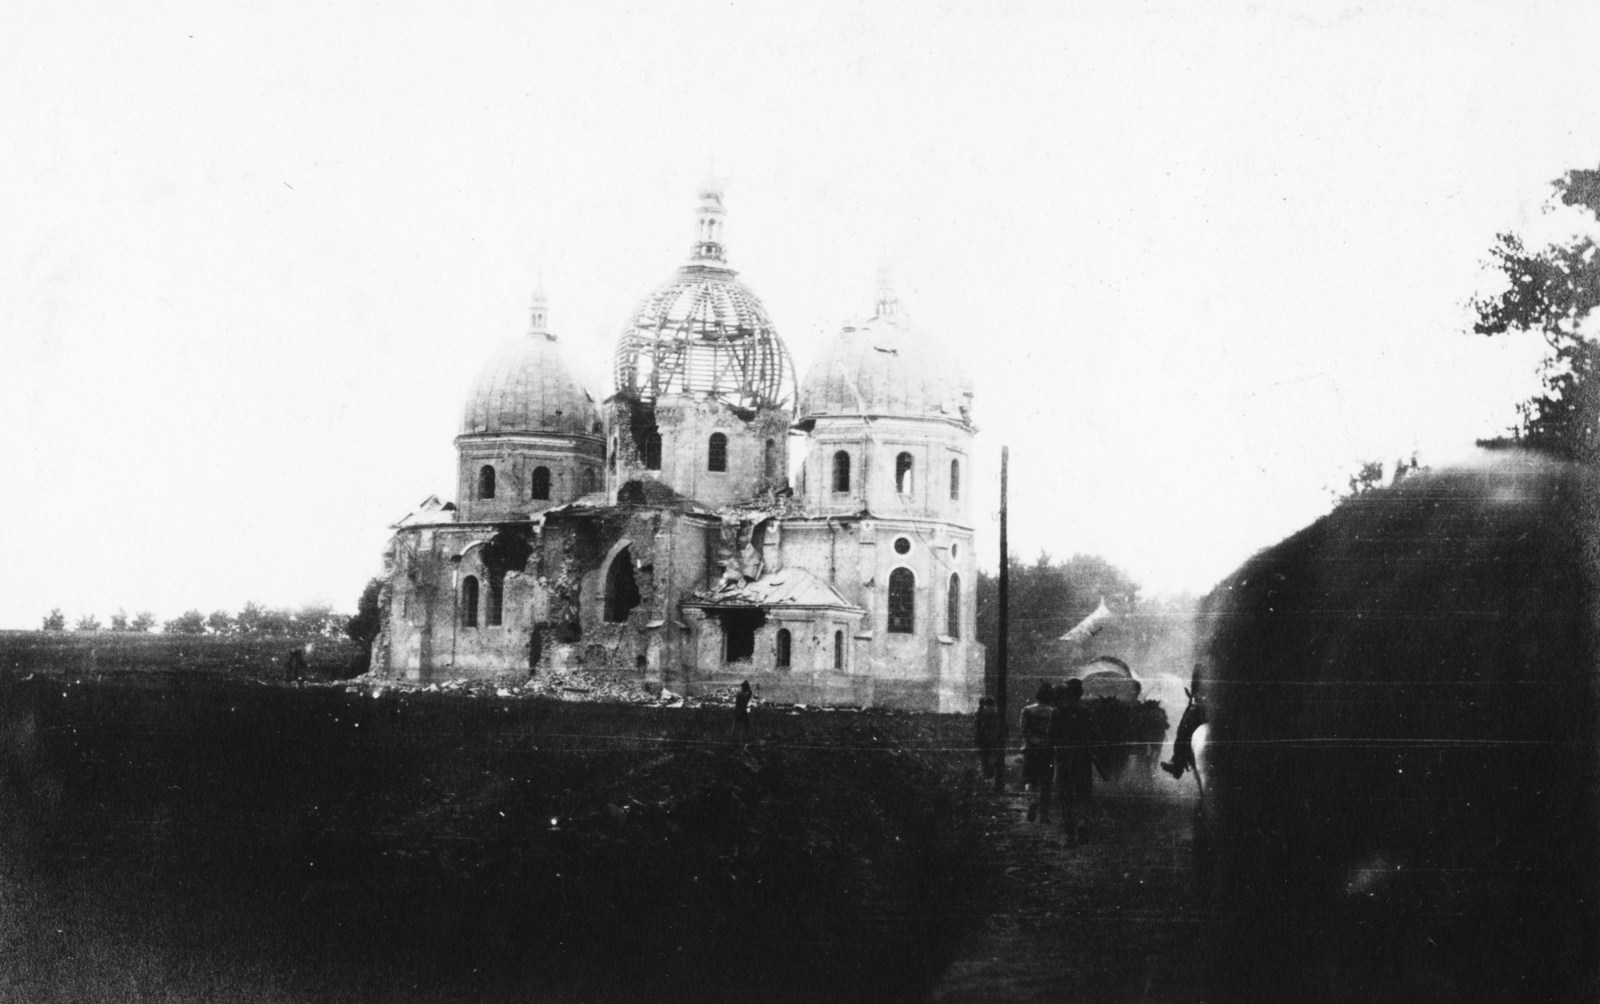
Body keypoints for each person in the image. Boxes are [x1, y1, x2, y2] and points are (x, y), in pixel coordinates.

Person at [1051, 678, 1109, 845]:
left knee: (1066, 796)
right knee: (1083, 794)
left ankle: (1070, 836)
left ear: (1066, 693)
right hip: (1083, 759)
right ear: (1081, 693)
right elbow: (1098, 739)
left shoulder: (1057, 712)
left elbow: (1050, 738)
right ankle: (1082, 822)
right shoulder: (1088, 712)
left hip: (1063, 760)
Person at [1019, 683, 1055, 822]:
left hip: (1031, 750)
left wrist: (1033, 740)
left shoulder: (1027, 710)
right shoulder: (1053, 712)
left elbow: (1024, 730)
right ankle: (1044, 816)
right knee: (1046, 783)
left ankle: (1032, 801)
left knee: (1029, 779)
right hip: (1047, 751)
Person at [974, 696, 1001, 779]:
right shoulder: (997, 712)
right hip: (994, 738)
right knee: (992, 756)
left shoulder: (980, 712)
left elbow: (977, 727)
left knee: (985, 757)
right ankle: (992, 774)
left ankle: (986, 775)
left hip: (984, 738)